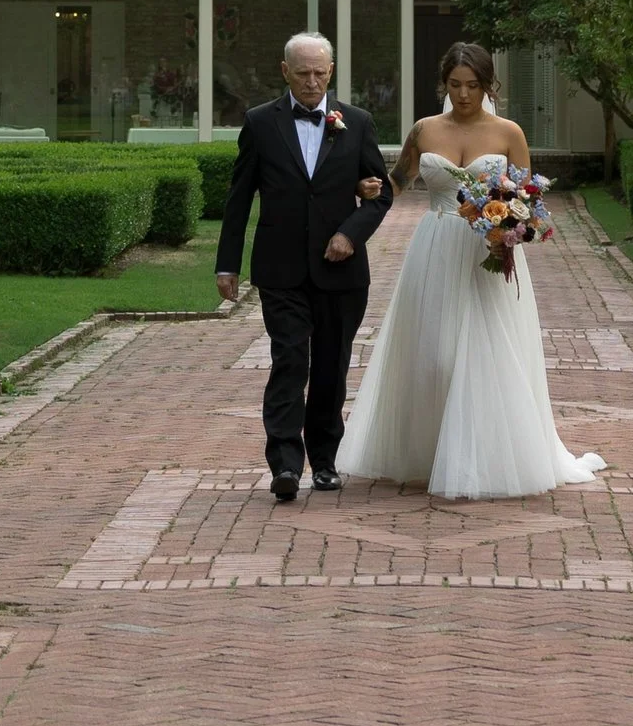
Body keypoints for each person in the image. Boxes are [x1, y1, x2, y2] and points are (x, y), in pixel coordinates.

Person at [337, 39, 605, 500]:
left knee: (483, 352)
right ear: (444, 83)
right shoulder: (424, 130)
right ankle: (427, 451)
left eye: (473, 85)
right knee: (435, 354)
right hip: (435, 246)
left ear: (487, 85)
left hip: (488, 252)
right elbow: (399, 182)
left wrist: (513, 225)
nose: (463, 95)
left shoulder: (508, 133)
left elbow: (528, 199)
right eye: (455, 85)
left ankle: (482, 459)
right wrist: (367, 187)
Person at [214, 31, 393, 501]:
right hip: (280, 269)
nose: (312, 82)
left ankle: (327, 462)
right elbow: (238, 201)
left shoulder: (356, 122)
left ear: (331, 72)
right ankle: (286, 464)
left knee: (332, 368)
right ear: (284, 71)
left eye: (320, 73)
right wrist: (226, 265)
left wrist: (349, 234)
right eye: (302, 73)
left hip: (341, 272)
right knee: (290, 360)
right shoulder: (259, 123)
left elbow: (380, 193)